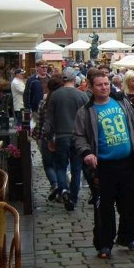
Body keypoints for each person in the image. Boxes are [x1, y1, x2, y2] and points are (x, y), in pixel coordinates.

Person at [74, 72, 134, 259]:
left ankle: (127, 237)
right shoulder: (86, 110)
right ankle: (104, 243)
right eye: (99, 85)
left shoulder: (121, 103)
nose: (104, 88)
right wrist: (87, 153)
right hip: (104, 166)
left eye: (106, 84)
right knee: (105, 207)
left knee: (130, 203)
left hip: (128, 163)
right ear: (91, 87)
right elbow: (78, 136)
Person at [44, 67, 89, 211]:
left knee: (60, 166)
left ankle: (63, 189)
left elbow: (49, 119)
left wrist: (49, 138)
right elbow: (88, 118)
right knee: (76, 169)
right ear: (74, 79)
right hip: (78, 137)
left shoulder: (55, 95)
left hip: (61, 136)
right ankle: (73, 198)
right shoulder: (82, 96)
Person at [31, 76, 63, 201]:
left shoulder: (43, 102)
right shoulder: (63, 102)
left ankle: (54, 184)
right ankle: (63, 189)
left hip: (46, 137)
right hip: (61, 136)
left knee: (48, 165)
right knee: (60, 165)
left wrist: (37, 136)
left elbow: (40, 122)